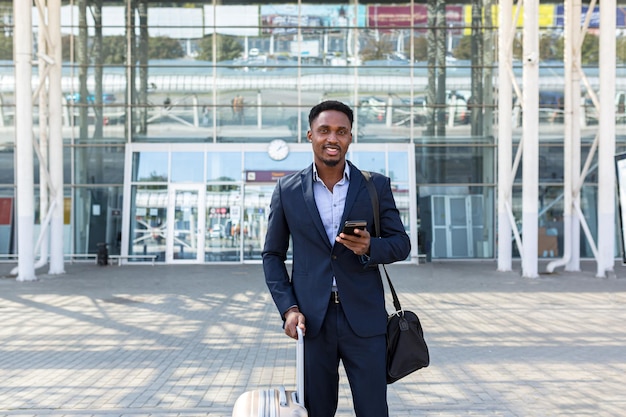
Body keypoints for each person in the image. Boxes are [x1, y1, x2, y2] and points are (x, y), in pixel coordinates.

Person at [262, 100, 411, 417]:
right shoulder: (287, 189)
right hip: (313, 322)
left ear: (350, 138)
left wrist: (371, 246)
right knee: (316, 410)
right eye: (324, 130)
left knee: (373, 410)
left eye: (341, 131)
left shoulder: (375, 186)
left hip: (366, 321)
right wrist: (288, 309)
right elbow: (272, 255)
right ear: (310, 135)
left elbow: (401, 244)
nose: (333, 138)